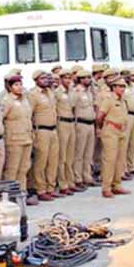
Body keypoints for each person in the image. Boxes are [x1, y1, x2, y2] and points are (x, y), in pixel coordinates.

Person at [2, 74, 35, 203]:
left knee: (24, 168)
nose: (19, 87)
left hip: (26, 138)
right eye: (16, 85)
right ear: (10, 87)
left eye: (20, 84)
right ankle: (10, 196)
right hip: (14, 139)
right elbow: (1, 118)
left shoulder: (25, 100)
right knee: (12, 169)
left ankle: (21, 194)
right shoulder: (7, 101)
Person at [96, 74, 130, 198]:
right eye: (120, 86)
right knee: (109, 160)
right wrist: (100, 128)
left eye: (124, 86)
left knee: (120, 159)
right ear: (114, 87)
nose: (122, 89)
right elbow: (100, 116)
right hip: (110, 130)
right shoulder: (109, 99)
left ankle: (117, 184)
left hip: (121, 130)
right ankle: (106, 187)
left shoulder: (122, 100)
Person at [28, 69, 60, 201]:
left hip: (53, 130)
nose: (45, 81)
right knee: (41, 161)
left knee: (53, 161)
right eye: (42, 79)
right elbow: (29, 114)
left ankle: (50, 187)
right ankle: (40, 189)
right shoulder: (33, 95)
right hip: (41, 131)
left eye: (46, 78)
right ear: (36, 80)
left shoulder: (50, 93)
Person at [72, 68, 96, 191]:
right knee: (79, 153)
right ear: (80, 80)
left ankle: (87, 176)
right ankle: (78, 177)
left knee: (88, 152)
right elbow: (71, 107)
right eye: (85, 78)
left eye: (89, 77)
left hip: (91, 124)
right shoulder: (76, 91)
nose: (88, 79)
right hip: (81, 123)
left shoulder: (90, 91)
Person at [55, 67, 76, 196]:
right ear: (61, 79)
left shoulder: (72, 91)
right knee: (62, 156)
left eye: (69, 78)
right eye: (65, 78)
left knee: (70, 155)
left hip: (71, 122)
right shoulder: (57, 92)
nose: (68, 80)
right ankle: (63, 184)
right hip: (62, 122)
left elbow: (73, 107)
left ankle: (70, 181)